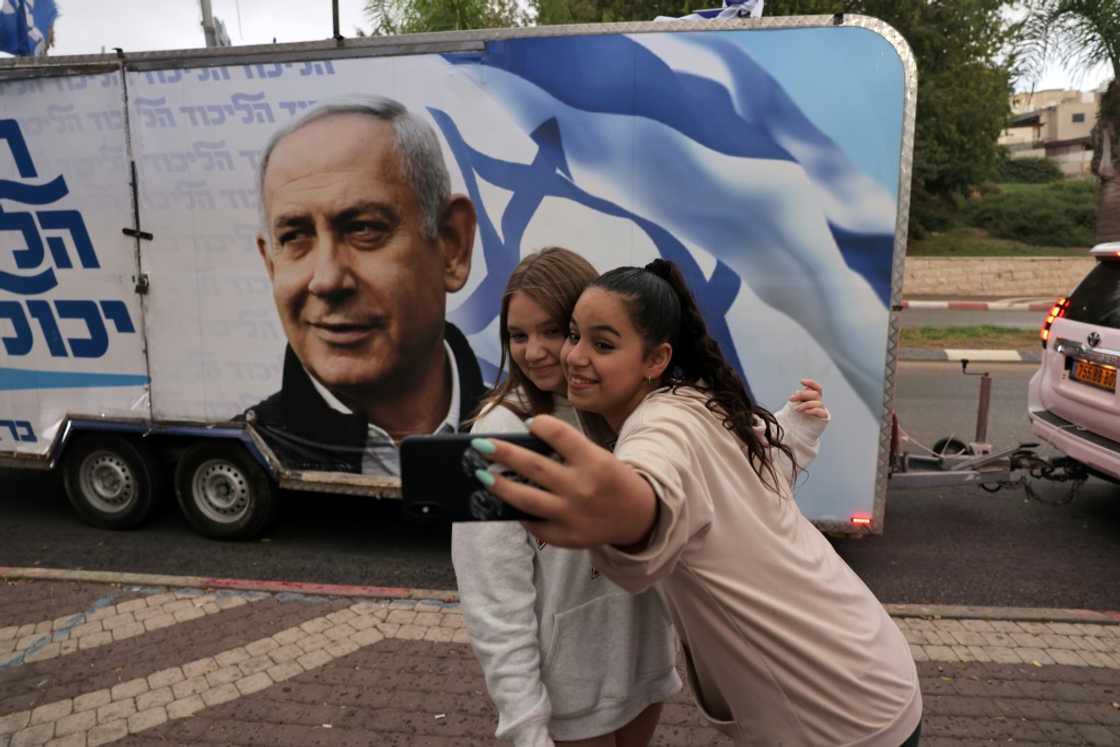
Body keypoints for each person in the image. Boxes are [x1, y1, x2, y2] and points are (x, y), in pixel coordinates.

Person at [469, 259, 923, 746]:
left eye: (599, 343)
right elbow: (738, 499)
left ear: (655, 359)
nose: (567, 355)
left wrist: (630, 518)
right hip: (870, 669)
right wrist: (795, 433)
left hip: (832, 715)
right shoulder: (690, 402)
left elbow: (655, 489)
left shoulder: (657, 427)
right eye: (574, 335)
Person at [452, 248, 681, 747]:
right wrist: (526, 727)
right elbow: (495, 603)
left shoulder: (625, 409)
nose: (533, 351)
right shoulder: (500, 431)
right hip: (571, 695)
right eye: (517, 335)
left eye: (552, 331)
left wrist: (793, 432)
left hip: (644, 668)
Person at [243, 94, 485, 475]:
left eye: (364, 229)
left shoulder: (542, 444)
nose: (326, 280)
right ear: (271, 264)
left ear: (452, 246)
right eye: (294, 237)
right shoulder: (245, 462)